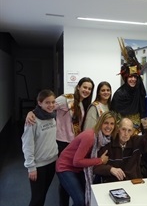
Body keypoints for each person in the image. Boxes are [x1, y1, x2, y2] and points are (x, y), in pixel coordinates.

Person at [26, 77, 95, 206]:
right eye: (84, 87)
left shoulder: (81, 103)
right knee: (63, 178)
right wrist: (31, 112)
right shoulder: (65, 99)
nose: (86, 90)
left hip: (72, 144)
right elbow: (48, 105)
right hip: (62, 143)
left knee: (65, 182)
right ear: (78, 87)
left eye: (89, 89)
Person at [56, 111, 117, 206]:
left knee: (86, 196)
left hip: (79, 169)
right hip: (66, 167)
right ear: (100, 123)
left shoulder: (105, 138)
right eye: (106, 123)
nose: (109, 126)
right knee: (80, 201)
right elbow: (77, 161)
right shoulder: (90, 137)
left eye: (112, 123)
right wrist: (100, 160)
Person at [21, 89, 58, 206]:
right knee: (37, 198)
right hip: (39, 166)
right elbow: (27, 144)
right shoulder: (32, 120)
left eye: (53, 102)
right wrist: (31, 167)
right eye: (47, 102)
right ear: (39, 103)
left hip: (52, 162)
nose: (51, 105)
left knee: (43, 195)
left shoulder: (52, 116)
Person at [93, 117, 147, 183]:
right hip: (112, 183)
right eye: (123, 129)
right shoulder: (107, 143)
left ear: (132, 132)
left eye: (129, 130)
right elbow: (95, 168)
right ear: (118, 129)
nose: (126, 134)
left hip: (133, 182)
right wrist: (110, 169)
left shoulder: (136, 142)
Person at [111, 38, 146, 135]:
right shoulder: (119, 94)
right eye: (130, 77)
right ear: (125, 79)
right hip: (122, 132)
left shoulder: (139, 92)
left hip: (137, 131)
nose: (133, 79)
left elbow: (142, 112)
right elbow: (114, 116)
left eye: (135, 77)